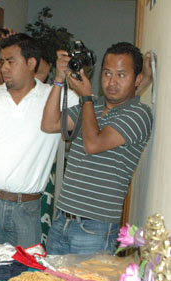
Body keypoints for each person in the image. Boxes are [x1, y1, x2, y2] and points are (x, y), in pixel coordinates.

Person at [0, 33, 78, 249]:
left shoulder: (57, 96)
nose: (4, 68)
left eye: (10, 62)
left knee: (23, 277)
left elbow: (88, 118)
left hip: (26, 208)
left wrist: (66, 76)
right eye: (3, 62)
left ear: (31, 63)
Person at [41, 42, 153, 255]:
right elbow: (49, 124)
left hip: (95, 228)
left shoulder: (139, 114)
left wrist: (85, 97)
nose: (112, 82)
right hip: (62, 219)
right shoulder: (94, 106)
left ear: (138, 79)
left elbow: (93, 144)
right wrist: (58, 80)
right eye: (107, 74)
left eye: (121, 75)